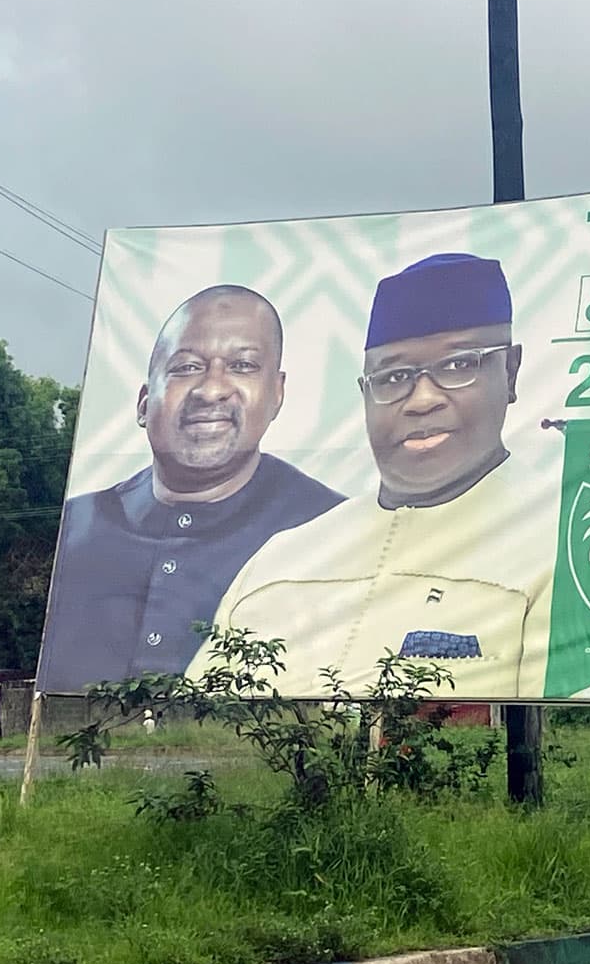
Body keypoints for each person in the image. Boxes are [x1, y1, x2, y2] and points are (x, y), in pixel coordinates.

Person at [206, 251, 554, 698]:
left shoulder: (566, 546)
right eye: (394, 377)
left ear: (509, 371)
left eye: (457, 366)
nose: (422, 399)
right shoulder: (279, 560)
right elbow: (197, 730)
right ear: (364, 392)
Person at [37, 285, 341, 690]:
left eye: (243, 366)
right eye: (186, 368)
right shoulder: (77, 527)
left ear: (277, 393)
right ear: (144, 403)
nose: (211, 390)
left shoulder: (330, 530)